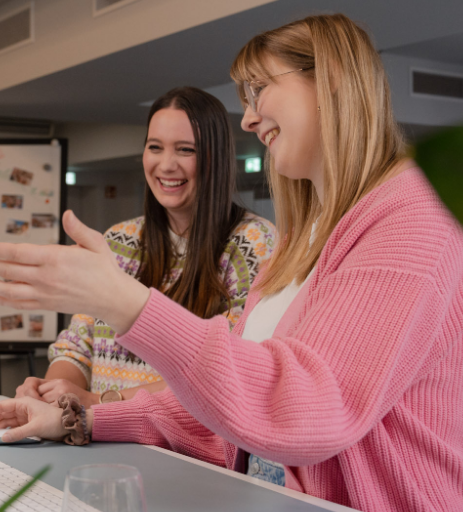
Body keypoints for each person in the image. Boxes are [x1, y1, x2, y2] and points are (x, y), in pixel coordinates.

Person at [0, 15, 463, 512]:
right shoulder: (300, 238)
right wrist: (80, 419)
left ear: (330, 79)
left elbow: (306, 408)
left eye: (260, 91)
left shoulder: (412, 218)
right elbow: (225, 408)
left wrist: (128, 304)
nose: (251, 118)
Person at [16, 87, 276, 407]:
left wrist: (101, 401)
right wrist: (51, 390)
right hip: (99, 439)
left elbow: (232, 369)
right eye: (155, 147)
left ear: (216, 157)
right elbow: (78, 346)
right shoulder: (117, 241)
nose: (166, 165)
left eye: (185, 150)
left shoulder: (253, 244)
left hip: (184, 450)